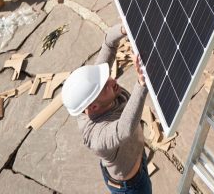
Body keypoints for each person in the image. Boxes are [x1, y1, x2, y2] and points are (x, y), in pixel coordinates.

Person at [61, 24, 151, 194]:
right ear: (93, 107)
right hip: (132, 186)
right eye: (105, 87)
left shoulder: (95, 90)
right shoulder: (97, 138)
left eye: (107, 77)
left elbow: (109, 43)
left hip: (138, 156)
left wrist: (125, 28)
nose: (113, 80)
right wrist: (141, 84)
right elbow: (124, 129)